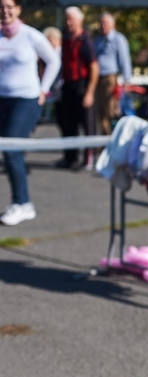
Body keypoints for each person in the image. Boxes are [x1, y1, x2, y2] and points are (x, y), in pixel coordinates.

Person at [0, 0, 61, 226]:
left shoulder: (30, 35)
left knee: (12, 150)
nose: (4, 11)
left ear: (17, 9)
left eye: (9, 7)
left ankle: (22, 204)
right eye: (0, 7)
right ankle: (20, 200)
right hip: (2, 99)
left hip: (26, 99)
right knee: (9, 151)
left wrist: (44, 89)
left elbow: (53, 60)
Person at [55, 6, 98, 171]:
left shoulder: (85, 40)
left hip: (82, 84)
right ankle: (70, 156)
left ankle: (89, 158)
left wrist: (90, 91)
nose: (68, 23)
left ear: (79, 21)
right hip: (67, 85)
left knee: (87, 124)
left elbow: (94, 66)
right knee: (67, 123)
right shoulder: (65, 40)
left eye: (71, 19)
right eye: (66, 19)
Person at [94, 13, 132, 136]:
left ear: (112, 24)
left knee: (111, 111)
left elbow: (124, 60)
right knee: (99, 112)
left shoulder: (118, 39)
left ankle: (113, 139)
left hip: (109, 78)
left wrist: (127, 80)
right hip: (96, 78)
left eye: (106, 23)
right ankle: (104, 140)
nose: (103, 26)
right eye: (101, 23)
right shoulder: (98, 40)